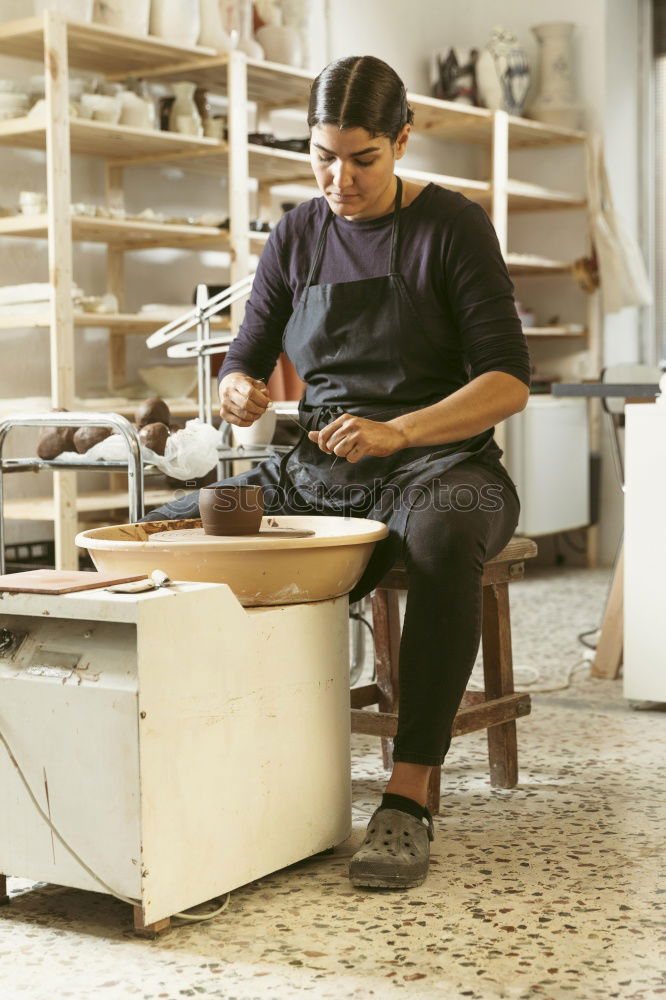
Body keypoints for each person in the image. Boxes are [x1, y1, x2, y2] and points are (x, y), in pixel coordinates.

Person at [142, 55, 530, 890]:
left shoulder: (453, 227)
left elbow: (507, 381)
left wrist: (401, 432)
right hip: (322, 471)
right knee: (179, 523)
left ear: (401, 140)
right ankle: (218, 759)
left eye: (362, 159)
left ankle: (408, 795)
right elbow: (244, 358)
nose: (339, 180)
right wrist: (239, 388)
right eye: (322, 156)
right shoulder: (296, 232)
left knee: (446, 528)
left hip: (443, 465)